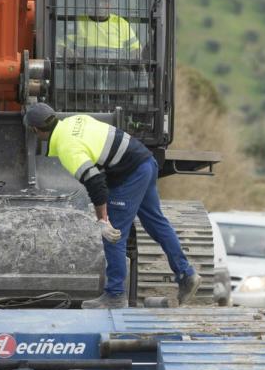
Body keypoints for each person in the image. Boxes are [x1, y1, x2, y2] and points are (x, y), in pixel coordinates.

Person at [23, 103, 199, 309]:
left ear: (35, 130)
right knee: (156, 223)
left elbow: (95, 183)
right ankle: (186, 274)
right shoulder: (74, 120)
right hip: (146, 162)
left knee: (113, 234)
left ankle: (115, 294)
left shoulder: (66, 147)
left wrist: (102, 220)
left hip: (131, 173)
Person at [63, 0, 139, 55]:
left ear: (111, 4)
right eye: (95, 0)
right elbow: (60, 45)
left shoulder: (121, 23)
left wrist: (135, 57)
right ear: (90, 3)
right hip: (84, 66)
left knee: (123, 71)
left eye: (104, 1)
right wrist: (69, 52)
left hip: (116, 67)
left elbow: (135, 48)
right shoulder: (78, 21)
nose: (99, 5)